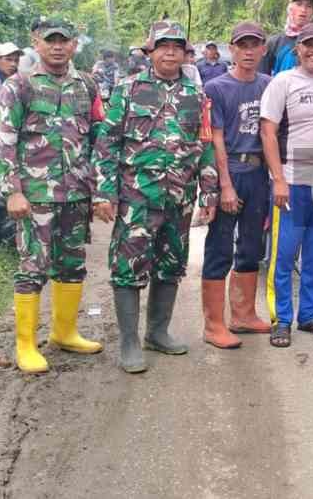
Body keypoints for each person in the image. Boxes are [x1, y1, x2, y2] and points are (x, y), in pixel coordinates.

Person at [94, 21, 219, 371]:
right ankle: (130, 342)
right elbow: (106, 143)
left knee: (171, 265)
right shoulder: (128, 89)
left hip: (179, 199)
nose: (169, 52)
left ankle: (157, 332)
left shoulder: (196, 95)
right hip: (137, 198)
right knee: (128, 268)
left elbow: (204, 145)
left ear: (184, 53)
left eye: (177, 47)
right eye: (163, 46)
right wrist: (104, 191)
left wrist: (208, 193)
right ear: (151, 51)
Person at [0, 18, 107, 374]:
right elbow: (3, 141)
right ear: (36, 42)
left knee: (71, 264)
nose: (58, 46)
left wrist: (101, 189)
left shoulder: (86, 85)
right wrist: (12, 191)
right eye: (50, 40)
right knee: (32, 267)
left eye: (64, 40)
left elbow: (99, 140)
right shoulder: (19, 86)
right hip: (35, 195)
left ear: (74, 45)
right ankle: (25, 345)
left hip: (76, 192)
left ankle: (65, 331)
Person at [260, 22, 313, 347]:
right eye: (308, 45)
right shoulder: (283, 81)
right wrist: (278, 178)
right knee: (282, 255)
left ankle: (310, 315)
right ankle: (281, 319)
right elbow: (268, 131)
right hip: (291, 184)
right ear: (298, 49)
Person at [195, 21, 274, 349]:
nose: (249, 51)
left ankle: (243, 314)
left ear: (263, 49)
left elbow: (272, 133)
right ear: (233, 48)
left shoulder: (269, 85)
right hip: (230, 173)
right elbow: (215, 140)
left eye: (254, 45)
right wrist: (224, 187)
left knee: (252, 246)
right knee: (219, 245)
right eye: (242, 45)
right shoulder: (216, 88)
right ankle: (214, 325)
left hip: (258, 175)